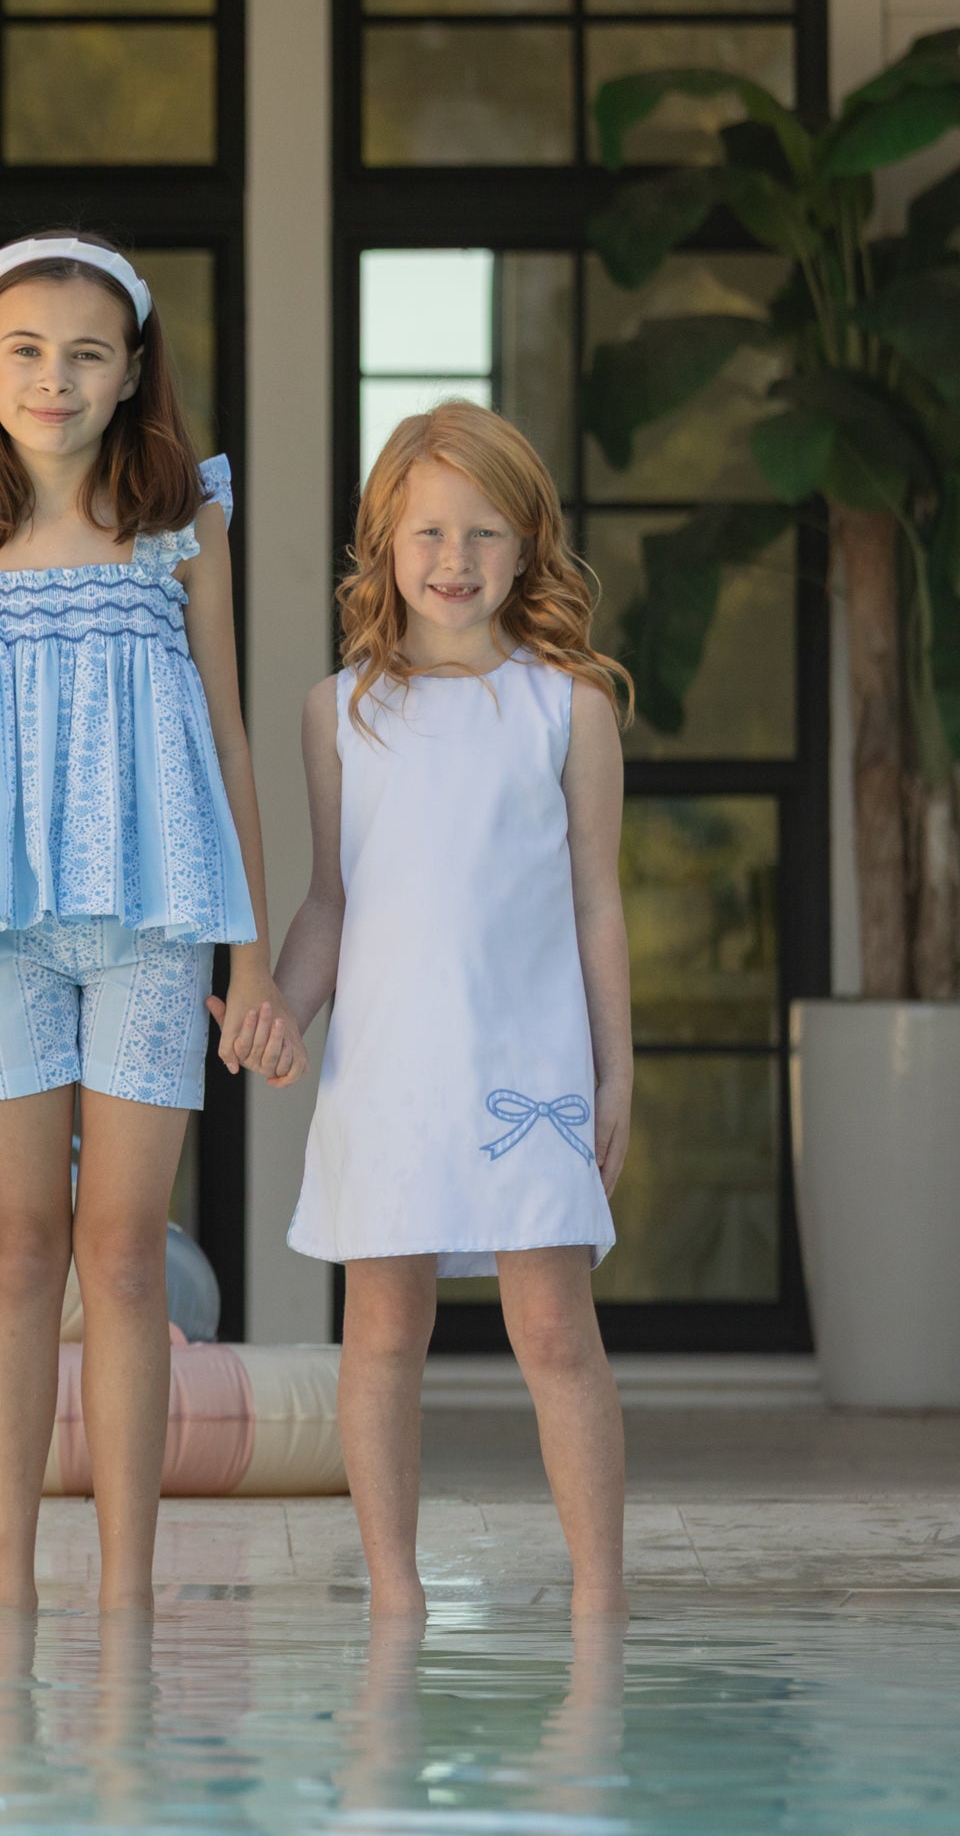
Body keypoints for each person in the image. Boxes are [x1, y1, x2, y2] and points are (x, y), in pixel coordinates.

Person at [0, 232, 302, 1611]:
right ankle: (9, 1591)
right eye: (30, 349)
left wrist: (252, 953)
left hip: (156, 923)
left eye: (88, 353)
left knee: (121, 1251)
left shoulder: (183, 523)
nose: (56, 377)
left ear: (131, 375)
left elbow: (229, 735)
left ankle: (124, 1588)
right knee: (19, 1252)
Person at [274, 398, 632, 1619]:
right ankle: (394, 1591)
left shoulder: (565, 707)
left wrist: (613, 1074)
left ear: (526, 546)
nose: (453, 561)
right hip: (386, 1074)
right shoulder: (336, 714)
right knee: (381, 1327)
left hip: (526, 1067)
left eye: (483, 533)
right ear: (381, 543)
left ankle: (597, 1593)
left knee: (551, 1324)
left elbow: (595, 905)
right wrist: (279, 1004)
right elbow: (330, 900)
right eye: (426, 531)